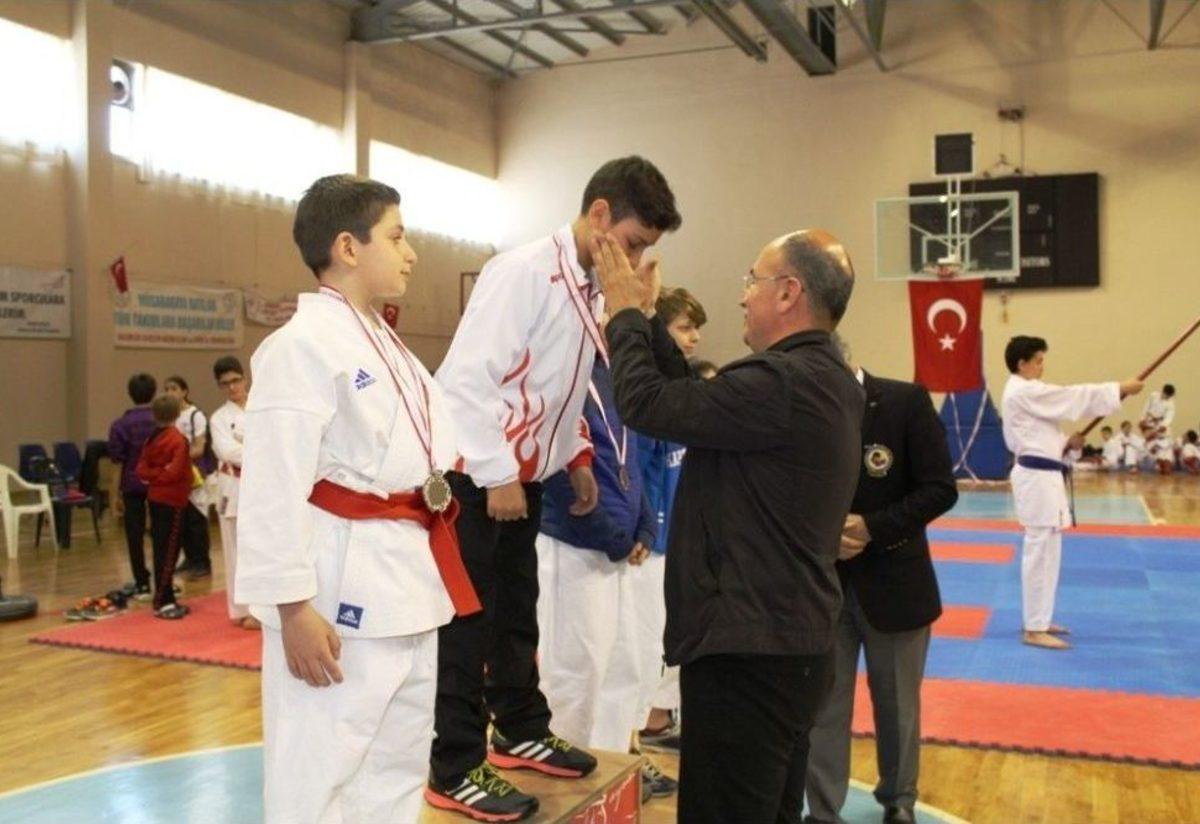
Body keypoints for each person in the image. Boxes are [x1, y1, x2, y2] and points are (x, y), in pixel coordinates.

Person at [429, 156, 681, 821]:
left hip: (529, 474)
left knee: (518, 611)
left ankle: (519, 728)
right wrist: (497, 472)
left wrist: (574, 455)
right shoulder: (522, 272)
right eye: (632, 243)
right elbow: (468, 382)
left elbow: (558, 389)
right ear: (599, 215)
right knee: (469, 622)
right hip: (476, 473)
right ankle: (453, 765)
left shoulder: (590, 286)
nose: (634, 260)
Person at [595, 227, 863, 824]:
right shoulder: (823, 377)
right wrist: (652, 326)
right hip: (792, 640)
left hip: (749, 652)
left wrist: (625, 316)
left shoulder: (781, 382)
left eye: (752, 281)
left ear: (788, 292)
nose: (744, 295)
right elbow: (696, 403)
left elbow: (648, 405)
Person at [236, 174, 477, 823]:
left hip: (408, 574)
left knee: (397, 766)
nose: (411, 253)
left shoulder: (384, 342)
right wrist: (292, 608)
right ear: (348, 246)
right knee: (317, 769)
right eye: (397, 237)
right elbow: (272, 484)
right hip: (337, 587)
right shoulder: (299, 346)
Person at [804, 342, 958, 824]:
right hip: (825, 583)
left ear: (842, 363)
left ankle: (898, 800)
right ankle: (822, 811)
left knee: (897, 707)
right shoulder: (806, 408)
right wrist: (826, 534)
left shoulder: (904, 402)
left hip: (896, 581)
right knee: (823, 707)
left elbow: (940, 489)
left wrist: (872, 527)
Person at [534, 347, 672, 797]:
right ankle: (567, 789)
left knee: (621, 668)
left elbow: (629, 460)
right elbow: (554, 466)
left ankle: (607, 780)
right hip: (574, 542)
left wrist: (645, 524)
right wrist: (607, 532)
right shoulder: (558, 361)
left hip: (616, 545)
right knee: (576, 674)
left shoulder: (610, 371)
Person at [1000, 336, 1142, 650]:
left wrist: (1067, 443)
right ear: (1022, 364)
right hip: (1036, 479)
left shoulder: (1027, 393)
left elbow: (1040, 436)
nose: (1042, 366)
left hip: (1046, 476)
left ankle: (1041, 618)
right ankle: (1033, 628)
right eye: (1038, 360)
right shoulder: (1023, 390)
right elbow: (1070, 397)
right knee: (1039, 552)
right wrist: (1118, 389)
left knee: (1050, 553)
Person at [633, 286, 709, 752]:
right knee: (644, 646)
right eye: (684, 327)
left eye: (696, 328)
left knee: (672, 638)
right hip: (648, 543)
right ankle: (640, 730)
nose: (694, 337)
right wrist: (646, 528)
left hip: (677, 539)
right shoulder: (649, 397)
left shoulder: (685, 392)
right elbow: (641, 471)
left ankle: (657, 720)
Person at [209, 356, 257, 630]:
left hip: (263, 486)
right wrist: (260, 451)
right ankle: (243, 609)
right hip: (234, 486)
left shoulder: (262, 406)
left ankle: (265, 609)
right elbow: (226, 451)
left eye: (236, 380)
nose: (232, 387)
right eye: (225, 383)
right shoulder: (219, 418)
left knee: (263, 549)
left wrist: (254, 448)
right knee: (235, 551)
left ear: (245, 378)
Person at [135, 394, 192, 620]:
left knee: (161, 549)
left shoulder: (152, 439)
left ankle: (164, 595)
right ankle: (164, 601)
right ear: (177, 414)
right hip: (173, 500)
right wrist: (162, 473)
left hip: (156, 498)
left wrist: (153, 476)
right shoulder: (178, 440)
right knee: (169, 552)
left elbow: (142, 470)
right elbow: (174, 472)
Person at [107, 373, 159, 601]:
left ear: (130, 394)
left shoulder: (120, 425)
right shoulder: (161, 422)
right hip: (159, 484)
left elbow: (116, 465)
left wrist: (113, 497)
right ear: (154, 393)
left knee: (134, 536)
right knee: (161, 534)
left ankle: (142, 583)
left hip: (132, 485)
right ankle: (163, 581)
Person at [163, 375, 212, 580]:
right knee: (181, 519)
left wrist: (178, 458)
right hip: (176, 476)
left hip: (194, 474)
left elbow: (199, 447)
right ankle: (189, 558)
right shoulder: (169, 418)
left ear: (184, 391)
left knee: (196, 519)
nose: (170, 393)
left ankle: (202, 561)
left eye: (174, 388)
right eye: (166, 389)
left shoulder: (195, 415)